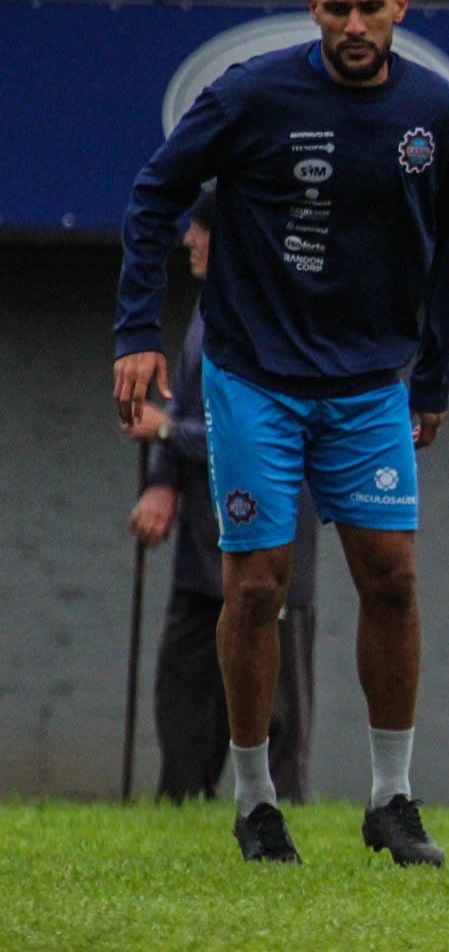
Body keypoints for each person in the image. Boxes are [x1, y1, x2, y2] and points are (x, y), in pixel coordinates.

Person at [113, 0, 449, 866]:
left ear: (403, 4)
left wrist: (432, 376)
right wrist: (136, 338)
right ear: (312, 6)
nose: (353, 24)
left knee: (392, 580)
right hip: (253, 379)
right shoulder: (250, 93)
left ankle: (392, 799)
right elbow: (154, 196)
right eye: (335, 8)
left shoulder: (439, 113)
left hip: (369, 387)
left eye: (370, 6)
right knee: (257, 586)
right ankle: (255, 801)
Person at [124, 193, 319, 805]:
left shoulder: (277, 317)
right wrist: (161, 481)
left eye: (201, 230)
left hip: (271, 529)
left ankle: (279, 804)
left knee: (278, 682)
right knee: (183, 683)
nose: (189, 241)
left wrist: (164, 432)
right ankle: (179, 800)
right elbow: (184, 401)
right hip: (202, 541)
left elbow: (258, 430)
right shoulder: (207, 312)